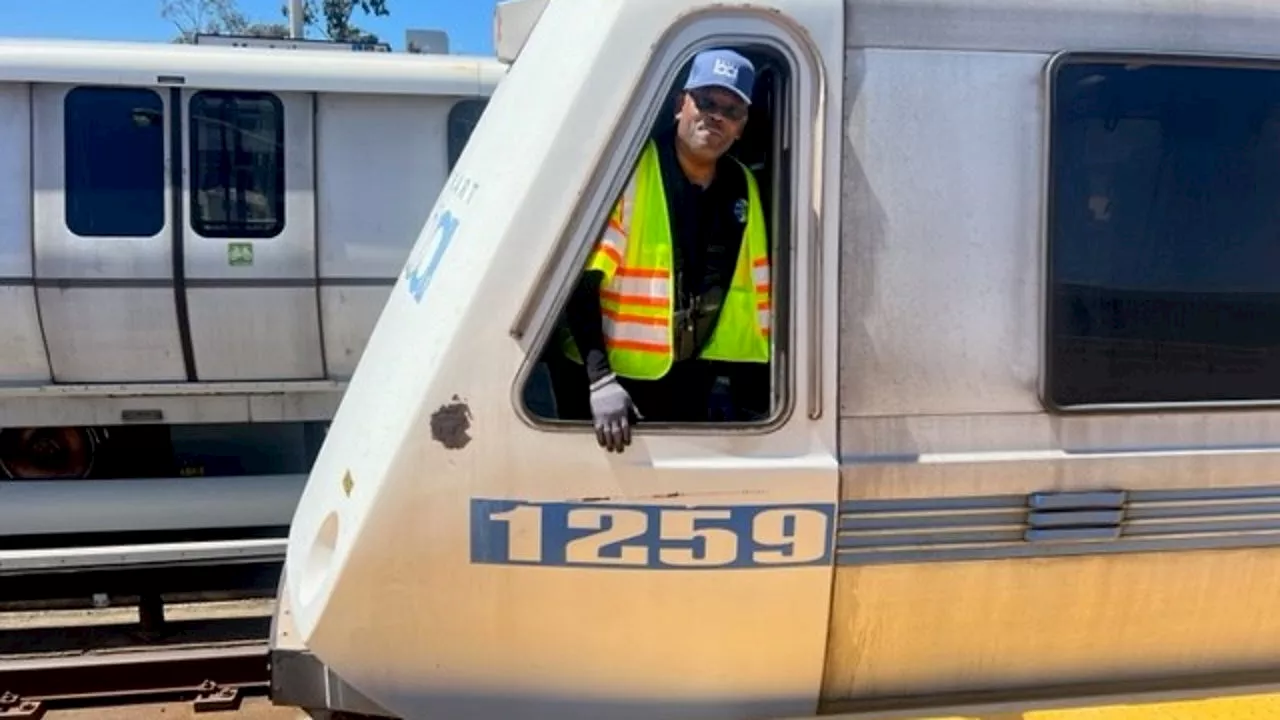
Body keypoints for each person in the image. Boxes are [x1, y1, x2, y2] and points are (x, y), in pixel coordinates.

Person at [556, 48, 772, 453]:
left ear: (741, 127)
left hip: (690, 380)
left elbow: (744, 297)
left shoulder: (743, 185)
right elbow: (580, 283)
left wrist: (726, 380)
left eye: (731, 109)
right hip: (614, 384)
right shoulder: (633, 170)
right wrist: (600, 379)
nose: (716, 116)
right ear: (680, 106)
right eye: (706, 101)